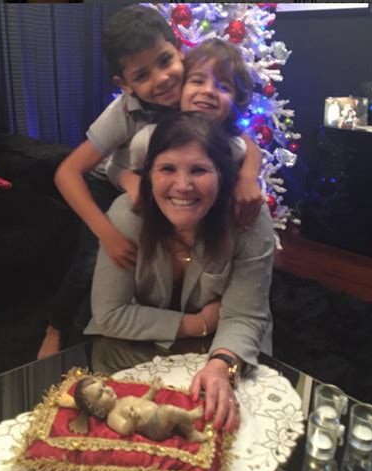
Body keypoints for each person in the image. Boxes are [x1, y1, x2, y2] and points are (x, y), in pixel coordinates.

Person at [38, 6, 262, 358]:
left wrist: (248, 175)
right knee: (92, 262)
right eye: (142, 75)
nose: (161, 79)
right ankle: (60, 329)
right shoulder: (124, 112)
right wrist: (108, 231)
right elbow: (69, 173)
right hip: (108, 184)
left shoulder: (193, 90)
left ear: (180, 51)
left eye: (165, 61)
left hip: (156, 184)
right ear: (125, 84)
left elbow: (241, 140)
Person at [84, 112, 274, 433]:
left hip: (223, 347)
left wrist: (220, 366)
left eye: (199, 170)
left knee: (230, 427)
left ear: (223, 176)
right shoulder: (126, 216)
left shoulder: (248, 219)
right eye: (167, 169)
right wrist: (199, 323)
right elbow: (109, 314)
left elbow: (245, 315)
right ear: (148, 175)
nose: (183, 186)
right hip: (138, 346)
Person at [107, 38, 263, 229]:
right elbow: (115, 167)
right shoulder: (148, 139)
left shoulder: (236, 147)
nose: (209, 91)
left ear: (235, 100)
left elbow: (248, 148)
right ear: (180, 87)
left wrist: (247, 177)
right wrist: (128, 179)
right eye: (197, 81)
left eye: (223, 87)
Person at [72, 376, 207, 442]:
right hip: (153, 426)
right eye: (100, 394)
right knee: (170, 411)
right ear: (97, 410)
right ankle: (190, 419)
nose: (107, 390)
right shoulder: (112, 416)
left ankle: (190, 432)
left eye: (104, 385)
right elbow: (124, 430)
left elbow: (143, 400)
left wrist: (152, 390)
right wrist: (132, 421)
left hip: (158, 412)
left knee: (174, 414)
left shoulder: (123, 399)